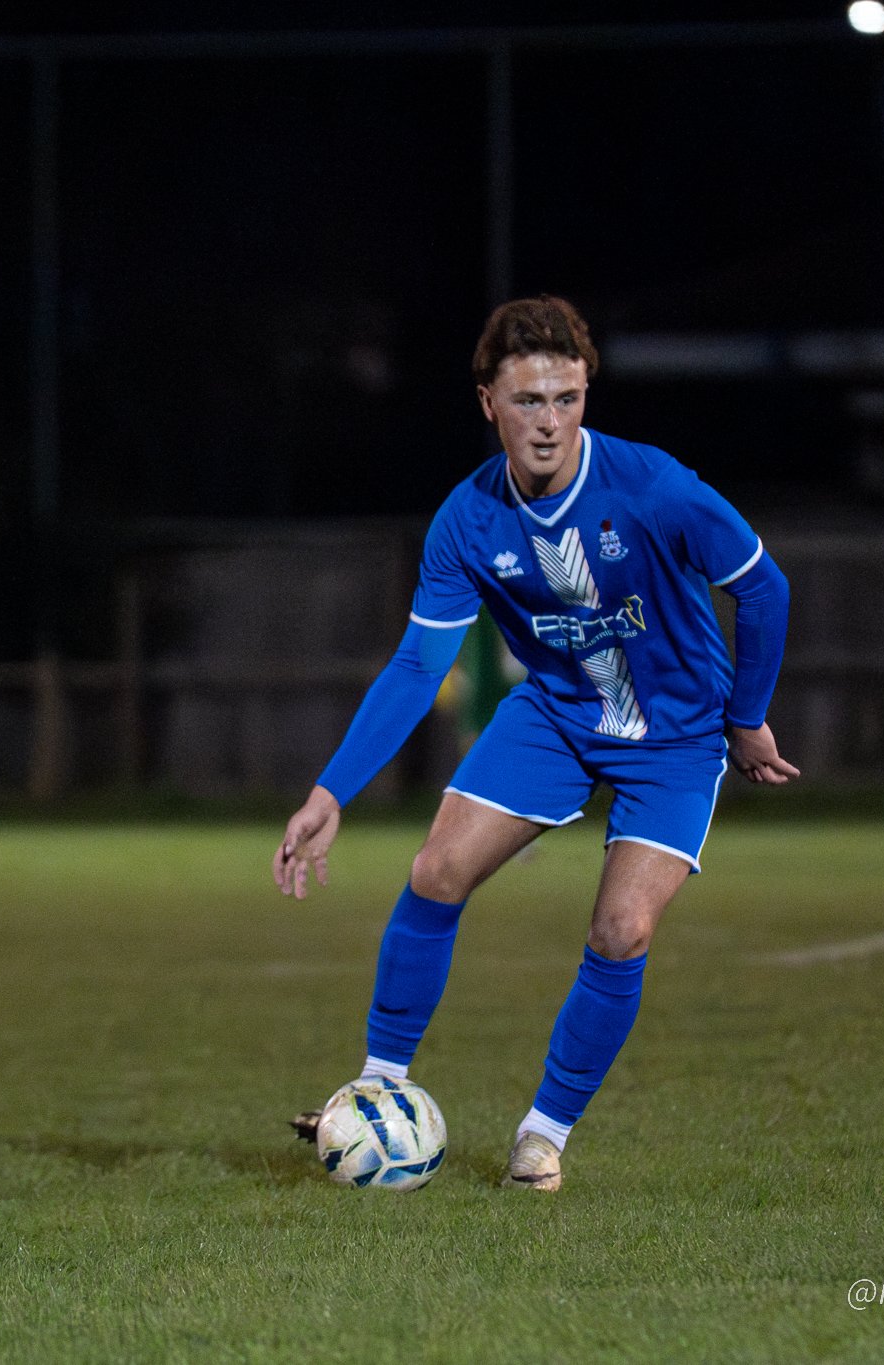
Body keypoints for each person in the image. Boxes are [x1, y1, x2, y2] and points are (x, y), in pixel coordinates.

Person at [274, 296, 796, 1192]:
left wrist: (745, 718)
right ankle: (378, 1086)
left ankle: (542, 1135)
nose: (549, 422)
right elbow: (413, 667)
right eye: (527, 401)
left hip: (673, 738)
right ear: (488, 402)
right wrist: (330, 793)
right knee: (435, 870)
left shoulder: (655, 486)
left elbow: (766, 588)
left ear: (586, 393)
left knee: (623, 928)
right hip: (555, 715)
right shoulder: (467, 521)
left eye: (566, 397)